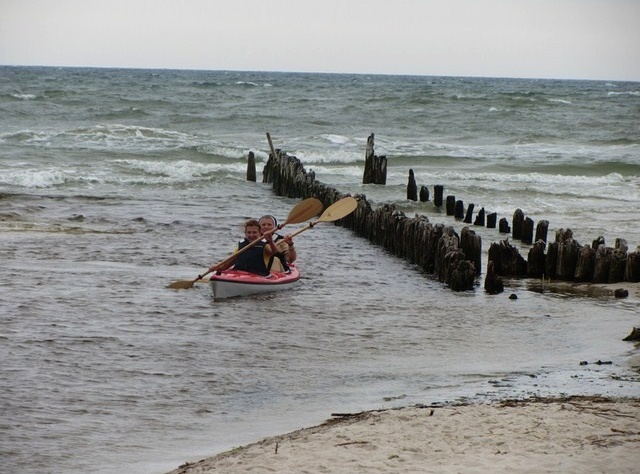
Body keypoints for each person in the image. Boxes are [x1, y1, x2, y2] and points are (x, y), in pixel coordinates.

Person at [206, 218, 279, 276]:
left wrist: (271, 241)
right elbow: (228, 263)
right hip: (239, 274)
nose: (251, 235)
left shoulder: (265, 245)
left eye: (254, 232)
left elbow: (274, 252)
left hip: (259, 275)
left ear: (260, 233)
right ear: (245, 233)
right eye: (249, 232)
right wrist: (216, 267)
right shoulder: (241, 245)